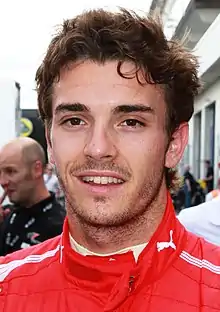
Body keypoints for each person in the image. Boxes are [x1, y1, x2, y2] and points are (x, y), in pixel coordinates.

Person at [0, 8, 220, 311]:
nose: (98, 147)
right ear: (50, 142)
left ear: (174, 144)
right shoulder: (6, 289)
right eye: (75, 121)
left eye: (130, 122)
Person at [0, 137, 65, 256]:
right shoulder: (8, 215)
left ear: (37, 169)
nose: (3, 181)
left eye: (11, 171)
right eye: (0, 173)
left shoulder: (59, 227)